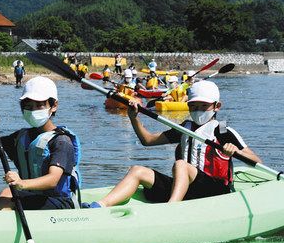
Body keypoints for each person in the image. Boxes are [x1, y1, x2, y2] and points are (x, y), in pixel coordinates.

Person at [86, 81, 262, 208]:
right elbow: (147, 140)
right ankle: (100, 206)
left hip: (215, 191)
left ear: (217, 106)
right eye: (193, 107)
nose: (197, 111)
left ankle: (171, 209)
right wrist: (134, 117)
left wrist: (233, 150)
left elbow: (257, 161)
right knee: (137, 170)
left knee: (180, 165)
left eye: (203, 106)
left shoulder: (223, 132)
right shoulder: (185, 128)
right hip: (185, 188)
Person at [0, 76, 82, 211]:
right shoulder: (21, 137)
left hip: (59, 204)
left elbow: (53, 180)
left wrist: (21, 183)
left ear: (53, 106)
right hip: (29, 196)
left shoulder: (62, 141)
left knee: (8, 194)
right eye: (29, 106)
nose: (33, 110)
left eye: (39, 105)